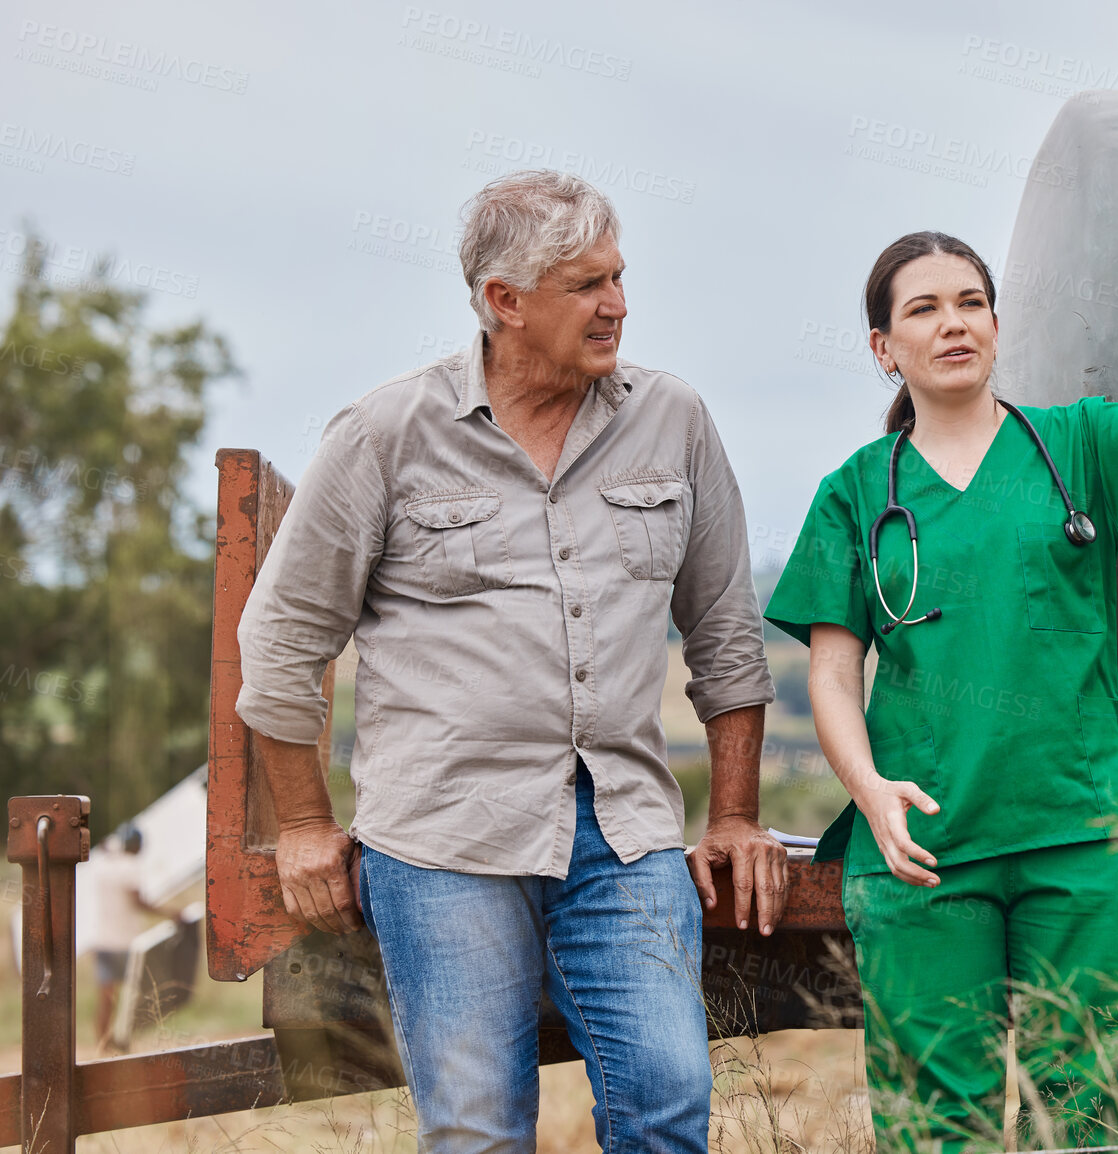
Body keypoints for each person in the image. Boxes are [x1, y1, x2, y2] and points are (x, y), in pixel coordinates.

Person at [236, 169, 786, 1154]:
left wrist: (736, 812)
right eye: (587, 285)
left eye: (619, 277)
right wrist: (307, 823)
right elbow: (280, 641)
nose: (617, 303)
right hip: (443, 838)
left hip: (624, 833)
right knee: (479, 1129)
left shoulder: (675, 420)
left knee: (667, 1100)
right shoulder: (385, 435)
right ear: (503, 302)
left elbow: (727, 638)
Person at [764, 232, 1118, 1151]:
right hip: (921, 849)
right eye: (922, 309)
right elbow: (832, 672)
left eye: (969, 303)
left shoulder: (1082, 442)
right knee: (933, 1122)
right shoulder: (854, 492)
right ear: (883, 348)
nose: (951, 324)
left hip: (1077, 839)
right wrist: (869, 793)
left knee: (1081, 1115)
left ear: (996, 324)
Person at [88, 822, 149, 1052]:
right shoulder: (131, 867)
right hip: (125, 942)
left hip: (102, 940)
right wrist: (172, 913)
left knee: (105, 997)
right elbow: (138, 901)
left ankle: (102, 1042)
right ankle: (123, 1041)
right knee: (130, 997)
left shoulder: (104, 864)